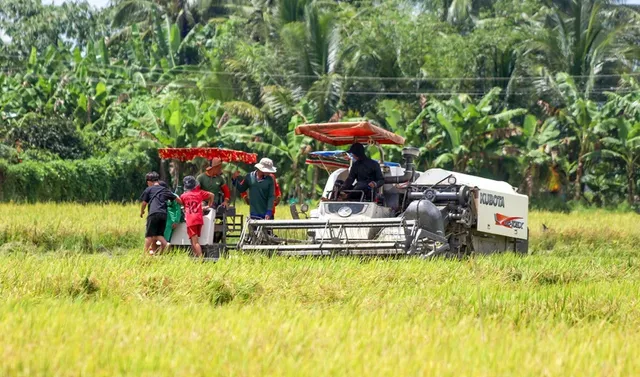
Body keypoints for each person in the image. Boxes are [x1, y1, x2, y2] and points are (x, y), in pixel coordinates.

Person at [140, 172, 182, 255]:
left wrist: (142, 212)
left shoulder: (149, 189)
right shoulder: (164, 189)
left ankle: (144, 254)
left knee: (149, 235)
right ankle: (166, 244)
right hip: (163, 215)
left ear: (149, 181)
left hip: (153, 213)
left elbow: (144, 203)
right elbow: (178, 200)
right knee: (159, 234)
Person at [179, 176, 214, 258]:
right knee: (193, 240)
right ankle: (195, 257)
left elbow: (181, 203)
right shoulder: (200, 193)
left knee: (195, 242)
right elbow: (212, 195)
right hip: (199, 219)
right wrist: (209, 205)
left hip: (191, 220)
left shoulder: (183, 196)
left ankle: (201, 258)